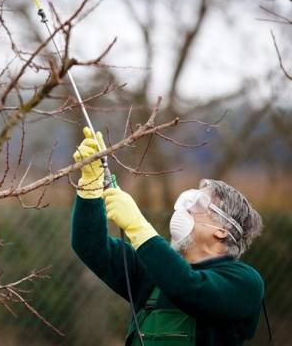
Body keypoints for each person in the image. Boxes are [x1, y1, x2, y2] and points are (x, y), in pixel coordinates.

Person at [71, 127, 265, 346]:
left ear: (222, 230)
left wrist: (138, 226)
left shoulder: (244, 282)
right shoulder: (152, 272)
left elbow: (188, 288)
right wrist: (90, 186)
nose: (184, 210)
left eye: (198, 205)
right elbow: (90, 246)